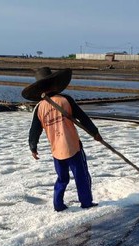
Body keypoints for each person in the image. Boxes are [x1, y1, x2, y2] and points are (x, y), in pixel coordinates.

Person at [22, 67, 101, 212]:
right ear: (54, 84)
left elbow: (34, 130)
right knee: (81, 175)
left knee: (62, 178)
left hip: (56, 150)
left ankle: (58, 205)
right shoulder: (65, 100)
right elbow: (83, 118)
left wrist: (33, 147)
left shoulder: (39, 108)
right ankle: (86, 202)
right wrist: (94, 132)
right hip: (72, 147)